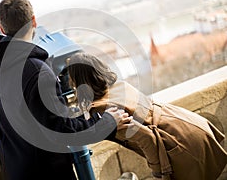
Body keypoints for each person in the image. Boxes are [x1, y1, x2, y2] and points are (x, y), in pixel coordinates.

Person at [0, 0, 129, 180]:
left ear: (2, 28)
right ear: (33, 21)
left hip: (13, 166)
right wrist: (109, 122)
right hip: (44, 171)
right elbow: (63, 129)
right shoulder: (38, 72)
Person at [67, 52, 227, 180]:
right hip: (186, 124)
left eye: (72, 79)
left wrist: (159, 173)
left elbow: (147, 138)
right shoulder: (120, 86)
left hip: (178, 143)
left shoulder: (104, 110)